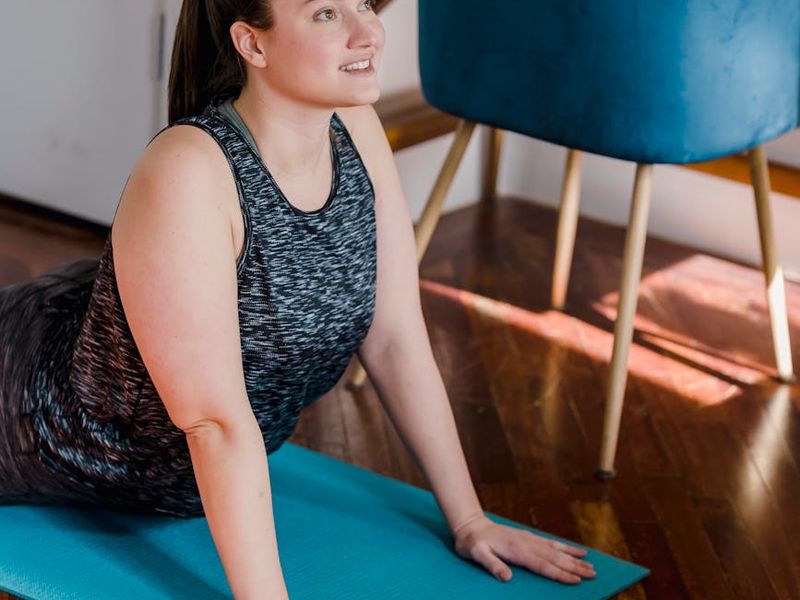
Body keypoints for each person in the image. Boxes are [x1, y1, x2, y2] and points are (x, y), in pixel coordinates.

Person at [0, 0, 596, 597]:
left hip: (129, 392)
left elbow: (394, 337)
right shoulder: (189, 171)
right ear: (252, 44)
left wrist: (470, 521)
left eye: (361, 3)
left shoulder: (354, 127)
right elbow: (216, 425)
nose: (368, 31)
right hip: (27, 407)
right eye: (325, 14)